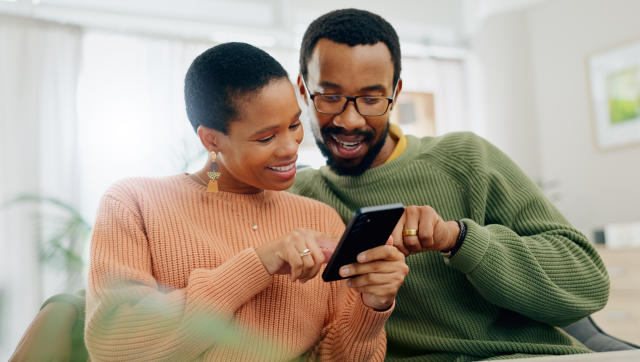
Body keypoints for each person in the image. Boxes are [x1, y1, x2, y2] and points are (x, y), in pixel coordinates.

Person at [10, 42, 408, 362]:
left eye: (293, 124)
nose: (291, 148)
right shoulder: (133, 202)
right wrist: (259, 262)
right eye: (266, 137)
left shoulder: (317, 216)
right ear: (211, 140)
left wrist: (372, 308)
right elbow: (117, 347)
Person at [287, 8, 610, 361]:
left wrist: (459, 238)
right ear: (303, 90)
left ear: (396, 92)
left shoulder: (466, 158)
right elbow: (212, 186)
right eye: (330, 97)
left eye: (371, 99)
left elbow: (589, 284)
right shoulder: (292, 195)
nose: (350, 120)